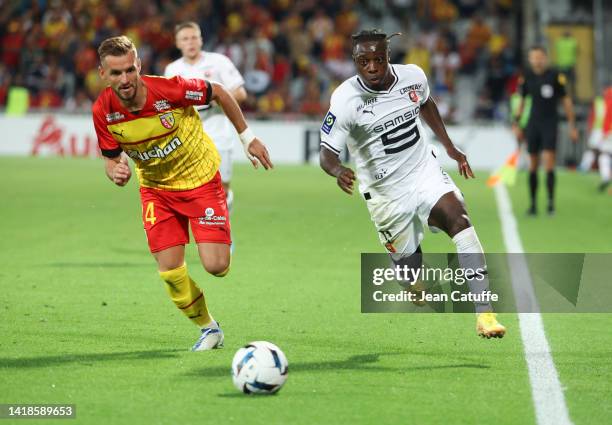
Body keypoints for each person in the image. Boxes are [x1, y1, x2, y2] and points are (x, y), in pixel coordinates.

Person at [319, 29, 505, 338]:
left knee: (460, 221)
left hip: (423, 171)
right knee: (408, 267)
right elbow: (326, 153)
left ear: (388, 57)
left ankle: (484, 311)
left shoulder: (413, 77)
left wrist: (449, 146)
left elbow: (426, 104)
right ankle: (411, 282)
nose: (373, 67)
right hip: (385, 194)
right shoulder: (345, 99)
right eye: (364, 61)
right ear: (355, 61)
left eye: (379, 59)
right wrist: (338, 170)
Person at [92, 36, 273, 351]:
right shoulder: (103, 111)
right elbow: (111, 159)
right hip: (156, 190)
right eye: (116, 73)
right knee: (171, 272)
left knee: (217, 267)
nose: (125, 79)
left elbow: (218, 91)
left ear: (138, 66)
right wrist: (114, 171)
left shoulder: (169, 90)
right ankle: (209, 329)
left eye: (129, 70)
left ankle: (222, 234)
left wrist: (248, 138)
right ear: (103, 75)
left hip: (200, 181)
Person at [164, 22, 247, 212]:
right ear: (178, 44)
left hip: (219, 134)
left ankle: (226, 231)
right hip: (188, 138)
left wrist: (215, 100)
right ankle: (208, 235)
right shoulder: (172, 70)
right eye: (185, 39)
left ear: (201, 40)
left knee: (222, 189)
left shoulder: (219, 62)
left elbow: (241, 93)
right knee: (191, 191)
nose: (190, 42)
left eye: (194, 37)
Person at [513, 46, 578, 215]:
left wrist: (572, 126)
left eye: (540, 57)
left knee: (549, 161)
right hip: (533, 123)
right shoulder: (526, 76)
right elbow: (521, 101)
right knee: (533, 164)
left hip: (550, 123)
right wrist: (517, 123)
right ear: (530, 59)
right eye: (534, 57)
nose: (537, 60)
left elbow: (566, 101)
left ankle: (550, 203)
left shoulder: (556, 76)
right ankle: (533, 204)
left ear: (546, 58)